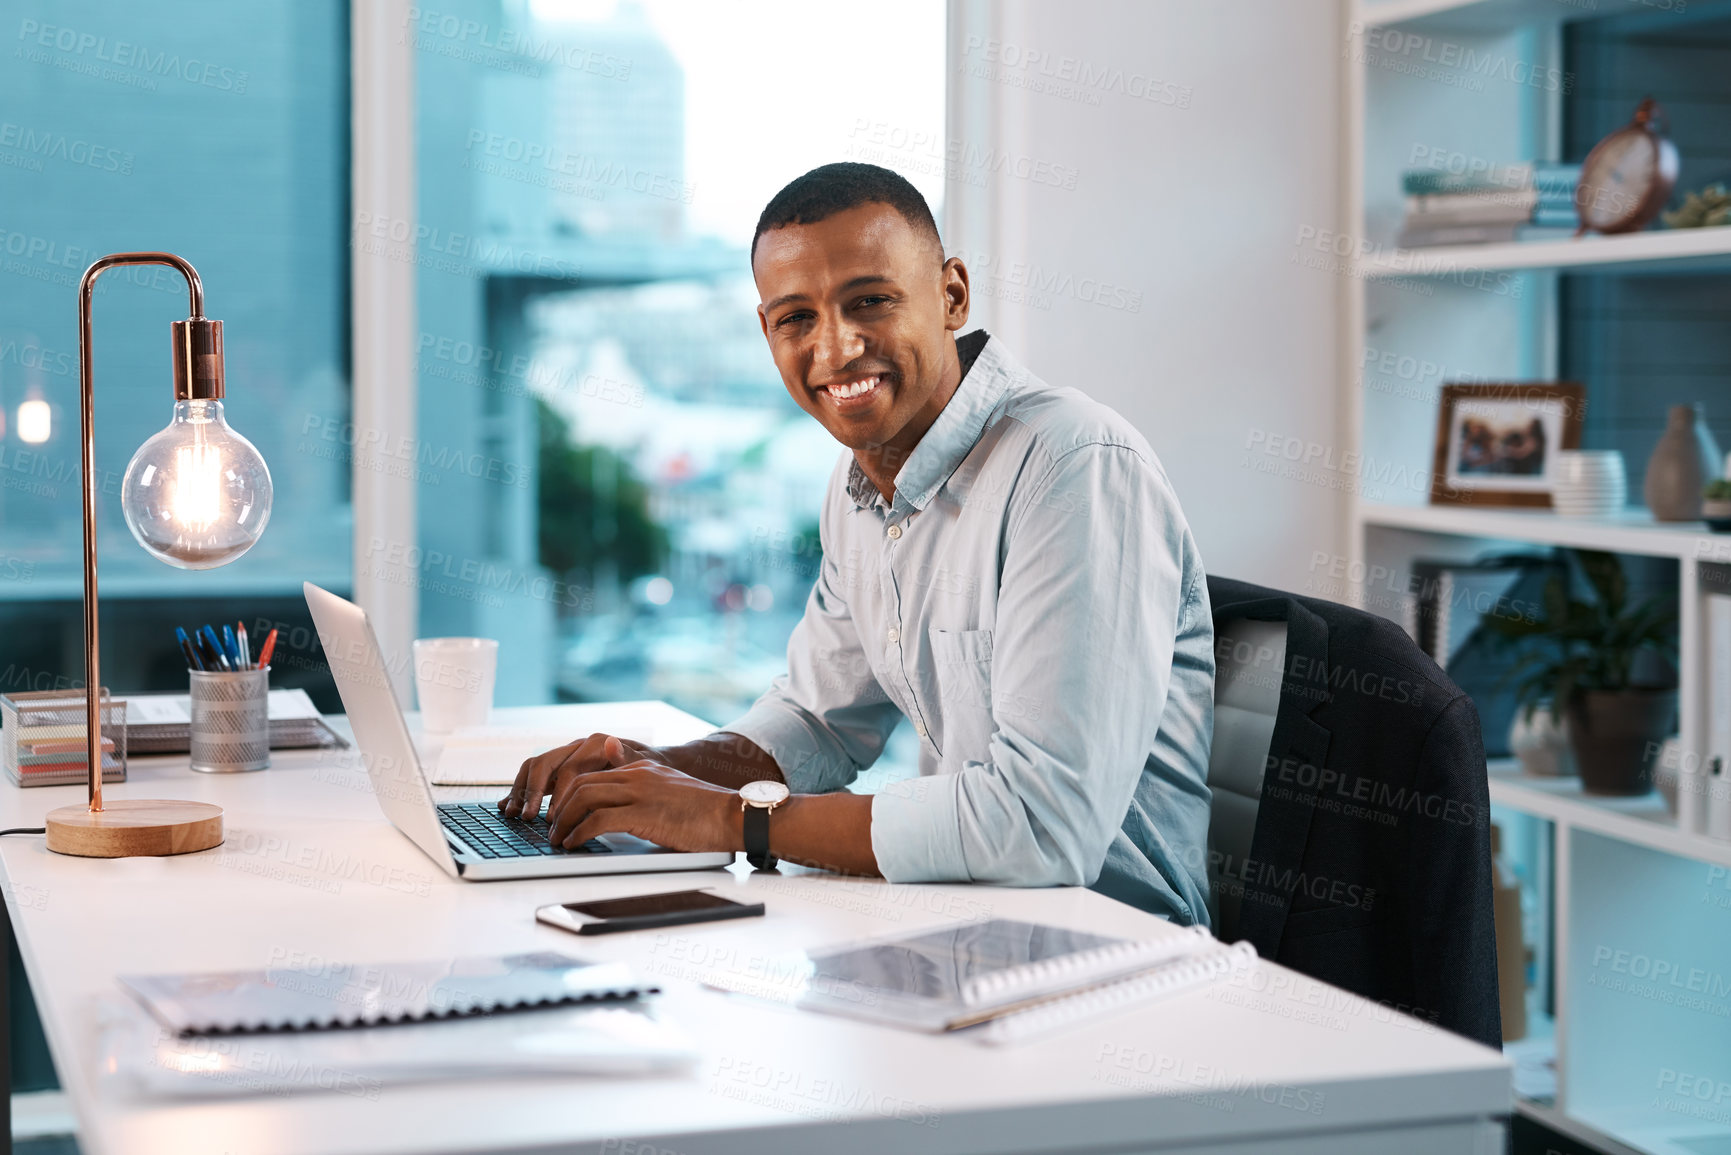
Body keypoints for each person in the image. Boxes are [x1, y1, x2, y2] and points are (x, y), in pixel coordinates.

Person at [501, 162, 1215, 923]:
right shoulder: (859, 487)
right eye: (796, 318)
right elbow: (817, 721)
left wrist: (727, 819)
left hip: (1115, 947)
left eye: (869, 301)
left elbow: (1043, 828)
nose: (835, 350)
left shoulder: (1072, 465)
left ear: (951, 295)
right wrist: (650, 776)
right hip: (958, 923)